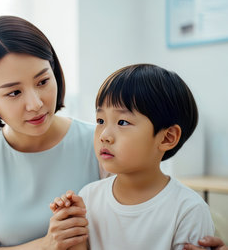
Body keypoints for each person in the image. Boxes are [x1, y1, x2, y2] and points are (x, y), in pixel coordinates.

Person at [0, 15, 104, 249]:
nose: (36, 104)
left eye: (42, 82)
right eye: (14, 93)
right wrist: (48, 244)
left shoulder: (100, 143)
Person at [51, 64, 215, 249]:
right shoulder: (89, 197)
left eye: (122, 122)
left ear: (167, 137)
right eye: (100, 121)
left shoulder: (188, 210)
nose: (104, 134)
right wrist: (71, 234)